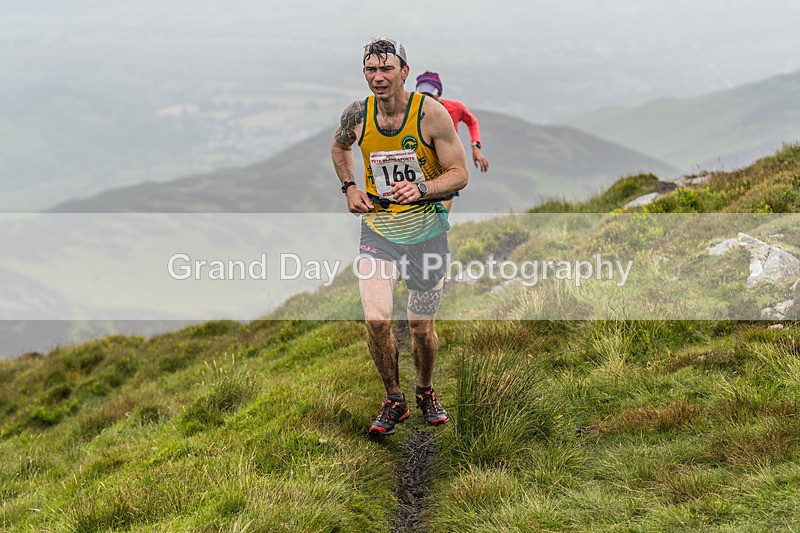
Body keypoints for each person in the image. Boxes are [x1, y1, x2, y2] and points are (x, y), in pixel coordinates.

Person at [331, 38, 469, 436]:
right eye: (371, 70)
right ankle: (394, 399)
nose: (378, 77)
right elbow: (339, 147)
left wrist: (423, 189)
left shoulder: (431, 114)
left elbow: (460, 174)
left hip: (426, 231)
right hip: (379, 228)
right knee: (376, 320)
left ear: (404, 71)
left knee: (421, 327)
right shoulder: (357, 114)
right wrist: (349, 188)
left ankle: (425, 390)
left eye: (387, 69)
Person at [415, 71, 489, 212]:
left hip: (446, 165)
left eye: (430, 94)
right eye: (422, 94)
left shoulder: (455, 108)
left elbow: (472, 121)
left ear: (439, 93)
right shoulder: (413, 110)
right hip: (423, 167)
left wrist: (475, 146)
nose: (427, 98)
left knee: (440, 219)